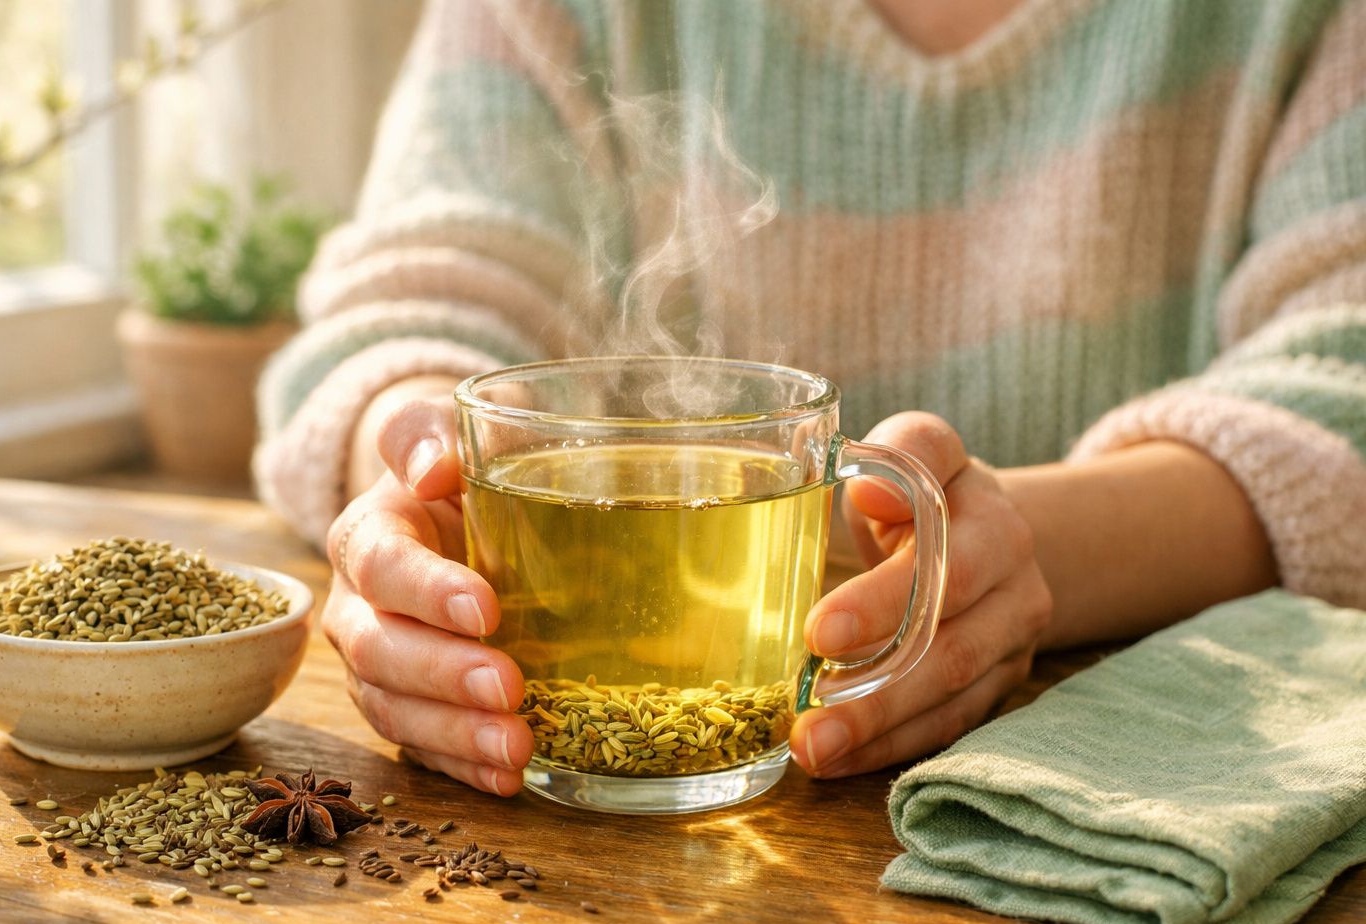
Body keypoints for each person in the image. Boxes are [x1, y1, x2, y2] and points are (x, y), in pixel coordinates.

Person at [253, 0, 1366, 796]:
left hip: (1146, 776)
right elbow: (411, 297)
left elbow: (1342, 373)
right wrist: (410, 483)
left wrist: (1013, 559)